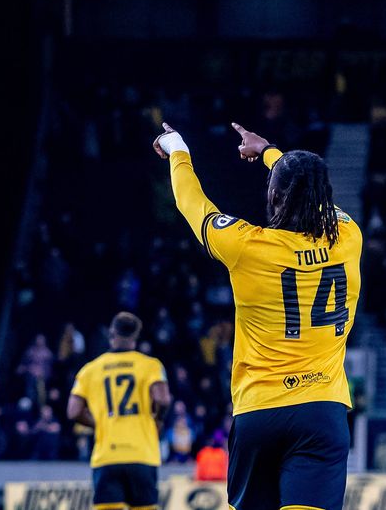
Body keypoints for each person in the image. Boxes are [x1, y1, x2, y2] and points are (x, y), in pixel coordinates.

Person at [154, 122, 362, 510]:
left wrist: (177, 147)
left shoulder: (247, 246)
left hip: (259, 412)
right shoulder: (349, 236)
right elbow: (311, 194)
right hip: (322, 410)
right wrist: (270, 151)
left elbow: (193, 204)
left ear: (275, 195)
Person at [67, 312, 172, 510]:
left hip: (107, 455)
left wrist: (98, 422)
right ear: (136, 335)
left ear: (111, 332)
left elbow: (73, 412)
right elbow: (163, 399)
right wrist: (158, 419)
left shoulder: (90, 369)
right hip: (142, 454)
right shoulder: (150, 365)